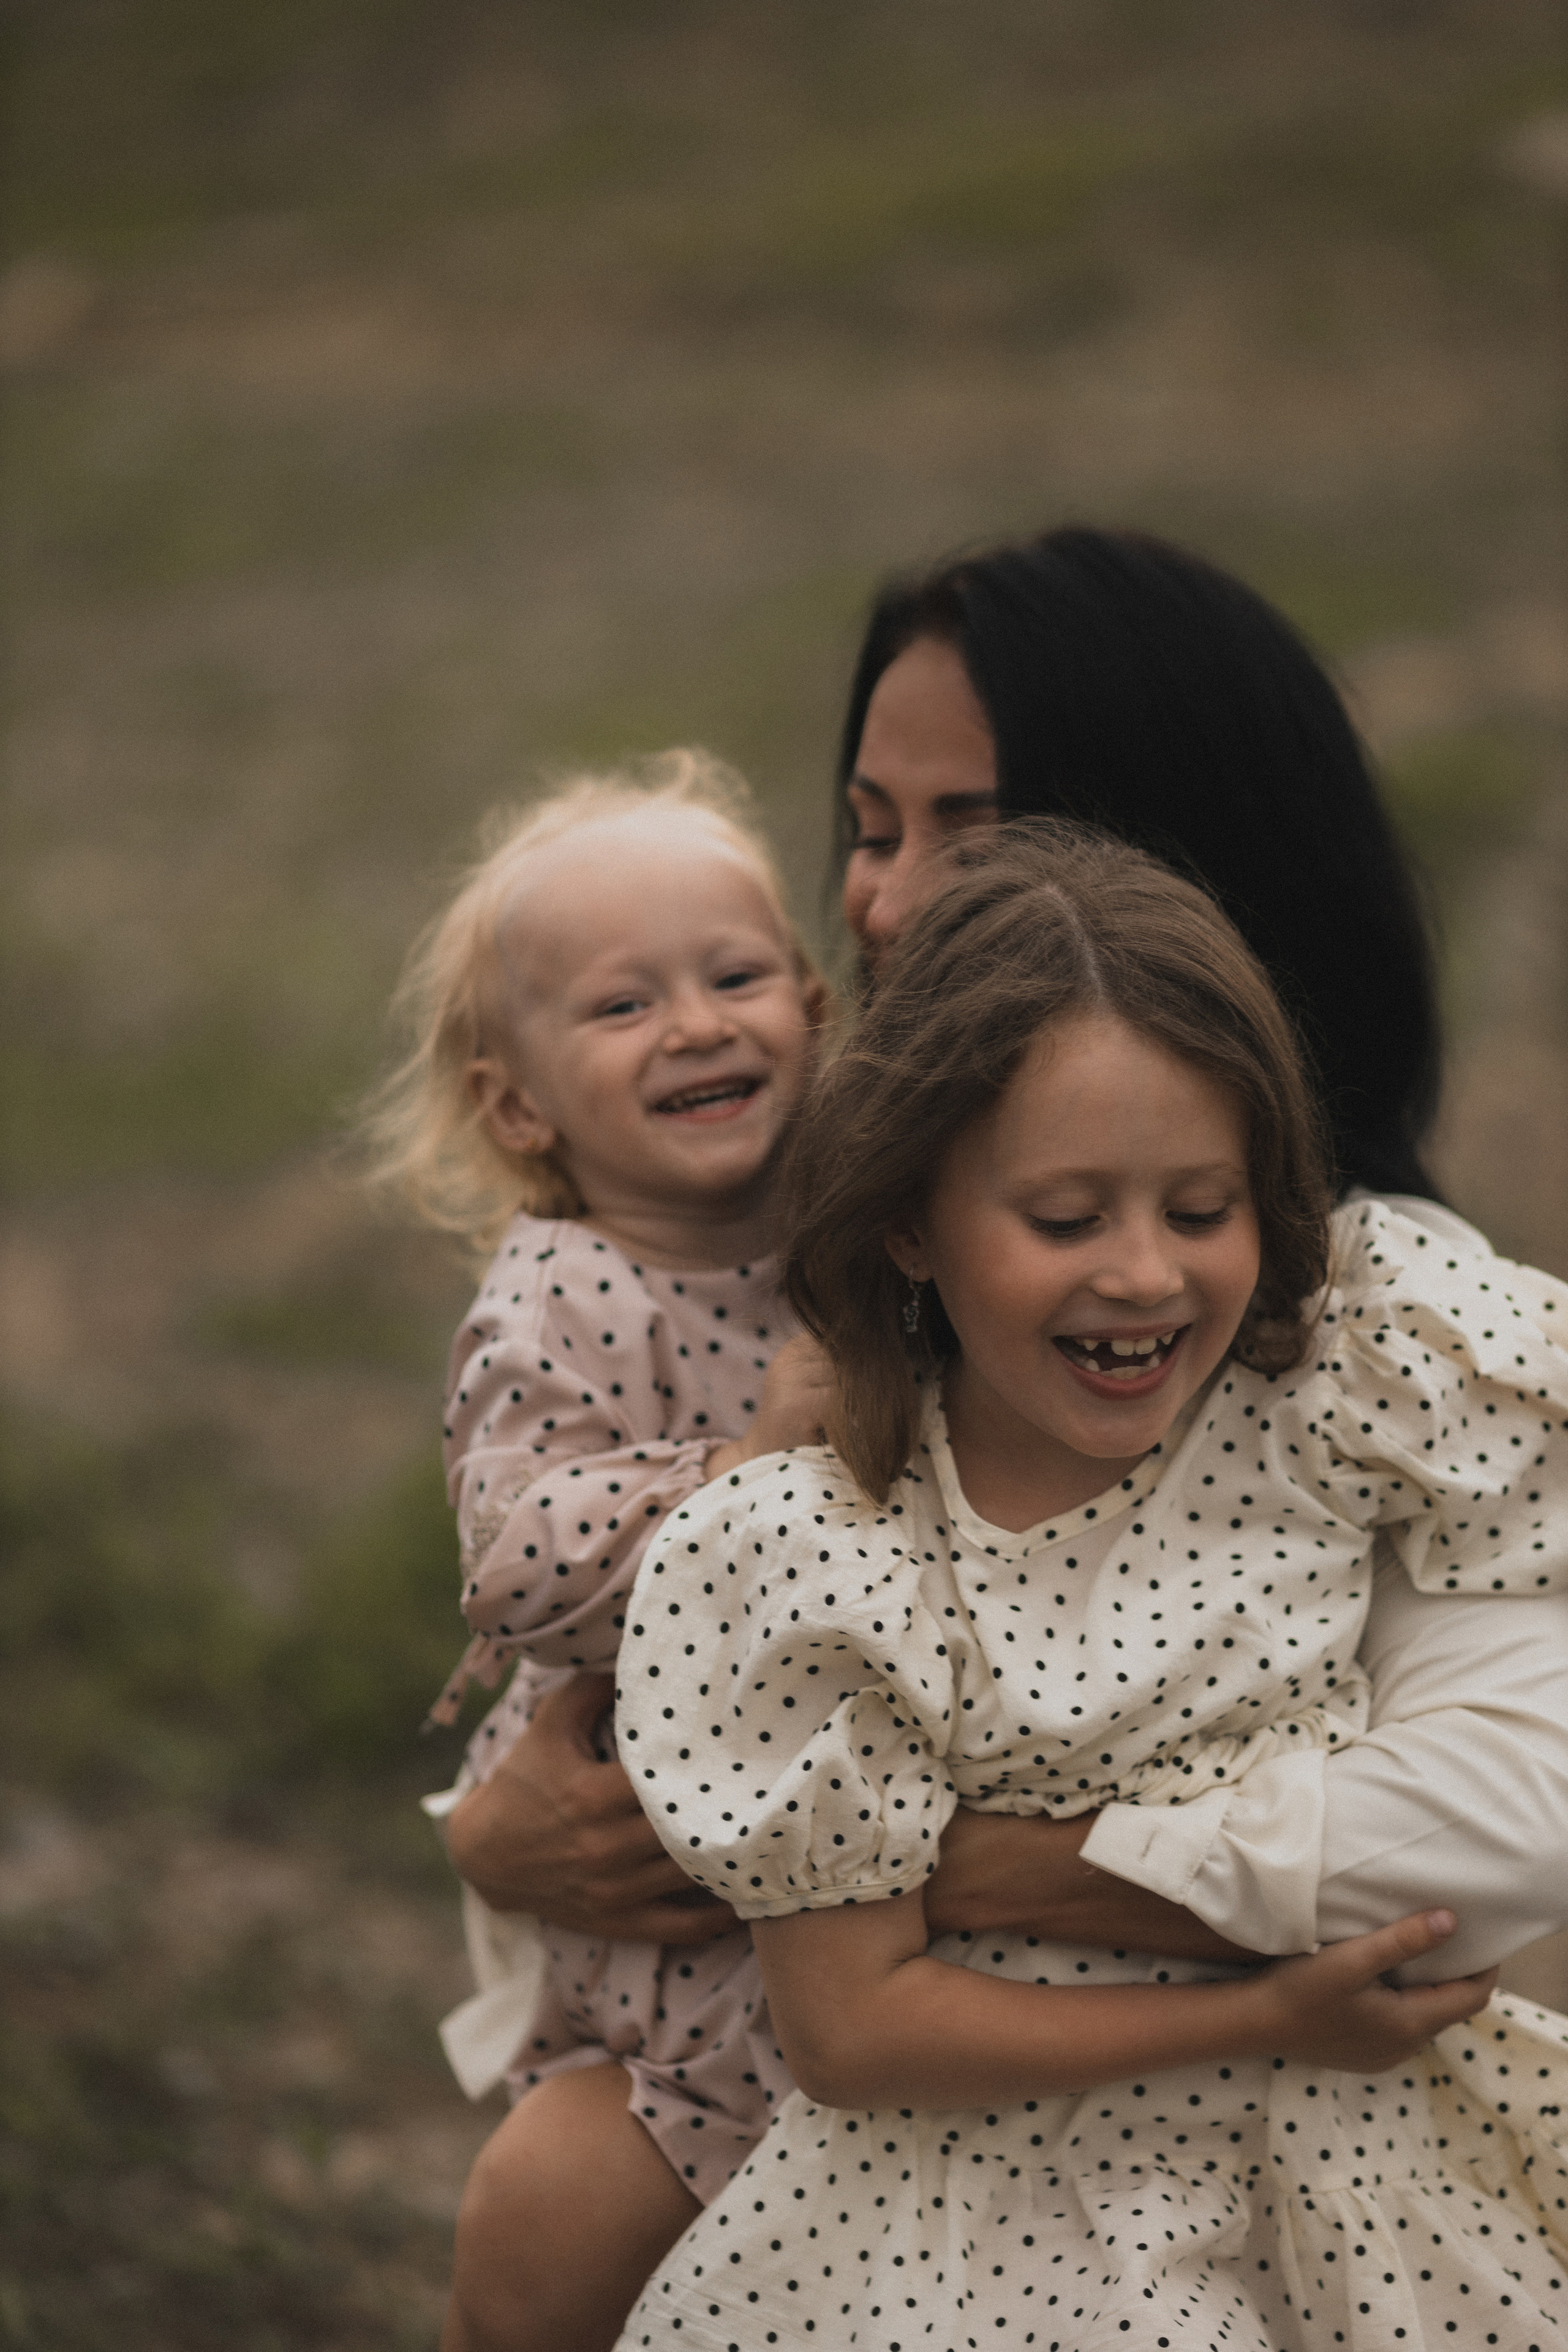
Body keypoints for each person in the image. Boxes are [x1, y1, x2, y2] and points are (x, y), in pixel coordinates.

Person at [451, 525, 1568, 2002]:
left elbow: (1501, 1827)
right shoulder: (866, 1249)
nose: (885, 906)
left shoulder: (1379, 1331)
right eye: (868, 829)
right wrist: (486, 1833)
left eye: (974, 836)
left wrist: (933, 1864)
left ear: (1192, 859)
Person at [614, 828, 1568, 2352]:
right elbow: (853, 2031)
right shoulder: (818, 1556)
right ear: (911, 1221)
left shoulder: (1323, 1403)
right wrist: (1257, 2013)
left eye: (1201, 1210)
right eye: (1064, 1220)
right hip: (991, 2208)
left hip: (1359, 2167)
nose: (1142, 1274)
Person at [366, 752, 834, 2352]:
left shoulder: (846, 1233)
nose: (700, 1023)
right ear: (522, 1105)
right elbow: (520, 1562)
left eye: (737, 976)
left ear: (816, 1010)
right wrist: (751, 1467)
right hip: (655, 1873)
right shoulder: (560, 1296)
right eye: (626, 1007)